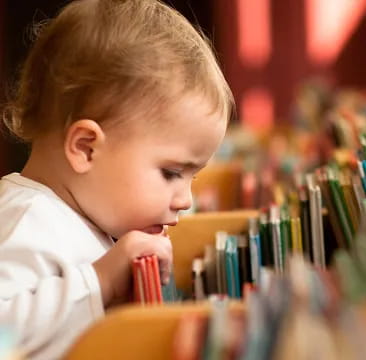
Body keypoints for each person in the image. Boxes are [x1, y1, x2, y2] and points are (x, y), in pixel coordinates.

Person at [0, 0, 233, 359]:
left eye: (193, 176)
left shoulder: (93, 218)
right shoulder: (26, 219)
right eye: (171, 173)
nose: (186, 198)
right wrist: (100, 281)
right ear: (86, 148)